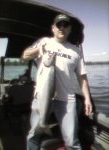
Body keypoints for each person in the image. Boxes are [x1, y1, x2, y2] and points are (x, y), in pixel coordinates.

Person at [21, 14, 92, 150]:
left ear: (69, 29)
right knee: (33, 136)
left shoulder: (76, 51)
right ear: (53, 28)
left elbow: (82, 77)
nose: (62, 28)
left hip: (67, 100)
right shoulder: (44, 42)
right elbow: (25, 55)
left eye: (65, 25)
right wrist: (38, 50)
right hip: (42, 98)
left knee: (72, 140)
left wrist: (87, 99)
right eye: (58, 25)